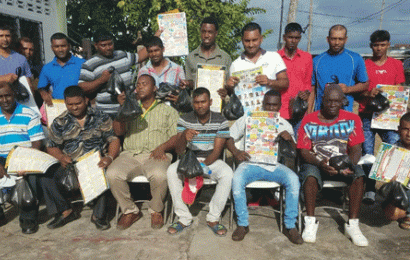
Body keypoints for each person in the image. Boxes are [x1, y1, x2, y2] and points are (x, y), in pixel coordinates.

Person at [226, 90, 302, 244]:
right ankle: (242, 224)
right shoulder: (250, 118)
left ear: (280, 106)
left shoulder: (284, 124)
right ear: (263, 104)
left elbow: (295, 152)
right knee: (237, 179)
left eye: (274, 105)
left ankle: (290, 225)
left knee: (293, 179)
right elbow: (229, 136)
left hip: (274, 165)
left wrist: (289, 139)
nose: (271, 108)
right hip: (250, 163)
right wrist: (236, 152)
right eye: (267, 104)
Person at [298, 84, 368, 247]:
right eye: (328, 101)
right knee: (309, 175)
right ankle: (310, 222)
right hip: (317, 162)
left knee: (359, 175)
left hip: (342, 162)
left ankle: (353, 225)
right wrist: (320, 163)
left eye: (336, 101)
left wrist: (347, 164)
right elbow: (303, 151)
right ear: (322, 100)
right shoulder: (309, 119)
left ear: (342, 101)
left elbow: (357, 149)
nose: (332, 105)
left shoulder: (352, 119)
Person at [106, 74, 179, 230]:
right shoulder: (130, 107)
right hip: (130, 155)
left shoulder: (167, 110)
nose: (140, 87)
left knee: (160, 175)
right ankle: (130, 211)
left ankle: (156, 210)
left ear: (154, 88)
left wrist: (163, 147)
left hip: (157, 154)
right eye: (138, 84)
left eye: (144, 84)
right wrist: (122, 109)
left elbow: (177, 136)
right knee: (112, 173)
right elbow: (118, 131)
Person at [46, 85, 120, 230]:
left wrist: (109, 157)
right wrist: (61, 157)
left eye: (78, 103)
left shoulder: (100, 116)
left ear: (86, 100)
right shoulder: (59, 122)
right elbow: (51, 146)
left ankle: (98, 215)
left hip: (96, 161)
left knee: (101, 171)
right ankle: (66, 211)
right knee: (47, 176)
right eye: (70, 104)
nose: (74, 107)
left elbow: (113, 139)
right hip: (71, 163)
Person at [165, 87, 233, 236]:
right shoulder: (185, 118)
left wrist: (201, 167)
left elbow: (217, 151)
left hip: (210, 160)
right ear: (192, 103)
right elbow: (178, 150)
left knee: (227, 173)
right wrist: (184, 136)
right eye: (196, 102)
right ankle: (183, 217)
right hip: (189, 159)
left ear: (210, 102)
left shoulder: (220, 120)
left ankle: (213, 217)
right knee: (171, 171)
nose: (199, 105)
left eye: (203, 102)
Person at [358, 30, 405, 204]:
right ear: (371, 46)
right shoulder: (364, 65)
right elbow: (358, 89)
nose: (379, 48)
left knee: (393, 151)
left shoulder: (396, 65)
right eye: (376, 45)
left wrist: (402, 109)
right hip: (367, 114)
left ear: (388, 45)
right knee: (367, 153)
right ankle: (369, 189)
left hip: (389, 116)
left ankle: (391, 189)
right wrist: (369, 93)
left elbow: (400, 89)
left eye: (383, 44)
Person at [0, 82, 45, 234]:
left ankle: (28, 220)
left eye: (8, 95)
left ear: (14, 95)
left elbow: (37, 142)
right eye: (0, 97)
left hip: (24, 156)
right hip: (1, 157)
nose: (5, 100)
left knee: (30, 181)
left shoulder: (29, 113)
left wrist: (26, 162)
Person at [79, 30, 156, 117]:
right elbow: (82, 87)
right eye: (103, 45)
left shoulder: (122, 55)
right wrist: (101, 80)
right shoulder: (89, 64)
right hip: (105, 114)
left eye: (110, 44)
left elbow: (141, 56)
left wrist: (156, 35)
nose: (108, 48)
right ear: (96, 46)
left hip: (128, 109)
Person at [310, 24, 369, 113]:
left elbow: (365, 84)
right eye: (333, 39)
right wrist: (309, 113)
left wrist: (348, 89)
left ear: (346, 39)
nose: (337, 42)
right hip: (321, 114)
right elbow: (312, 89)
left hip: (345, 114)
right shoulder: (316, 61)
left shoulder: (355, 58)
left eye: (340, 39)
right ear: (328, 39)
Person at [226, 22, 289, 104]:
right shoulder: (235, 64)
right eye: (247, 41)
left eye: (254, 40)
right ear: (242, 40)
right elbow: (233, 94)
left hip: (268, 113)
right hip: (245, 115)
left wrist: (269, 82)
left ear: (261, 39)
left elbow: (285, 83)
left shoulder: (274, 57)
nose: (251, 44)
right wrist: (229, 87)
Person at [277, 23, 313, 135]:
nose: (293, 41)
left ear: (300, 38)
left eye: (296, 38)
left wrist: (306, 93)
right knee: (281, 146)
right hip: (280, 111)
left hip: (299, 111)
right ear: (284, 37)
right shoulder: (276, 57)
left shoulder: (307, 58)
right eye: (290, 37)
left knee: (298, 146)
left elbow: (308, 83)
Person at [184, 17, 232, 92]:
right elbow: (189, 83)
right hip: (197, 102)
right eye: (204, 32)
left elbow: (229, 86)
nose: (206, 35)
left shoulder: (225, 58)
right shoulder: (191, 57)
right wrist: (187, 83)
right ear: (200, 32)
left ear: (216, 33)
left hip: (219, 101)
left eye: (210, 32)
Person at [38, 33, 85, 104]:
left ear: (69, 46)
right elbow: (41, 87)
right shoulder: (47, 68)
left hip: (79, 106)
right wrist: (44, 94)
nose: (60, 50)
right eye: (56, 46)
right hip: (58, 107)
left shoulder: (82, 64)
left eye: (63, 46)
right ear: (52, 48)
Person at [137, 36, 185, 104]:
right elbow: (138, 93)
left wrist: (179, 99)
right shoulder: (143, 71)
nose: (154, 54)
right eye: (150, 51)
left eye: (156, 50)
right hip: (150, 112)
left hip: (171, 111)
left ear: (163, 49)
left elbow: (183, 92)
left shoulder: (176, 69)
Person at [383, 112, 410, 230]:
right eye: (405, 129)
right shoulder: (392, 150)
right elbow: (384, 177)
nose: (409, 134)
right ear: (398, 129)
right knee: (391, 214)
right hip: (402, 191)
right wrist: (389, 179)